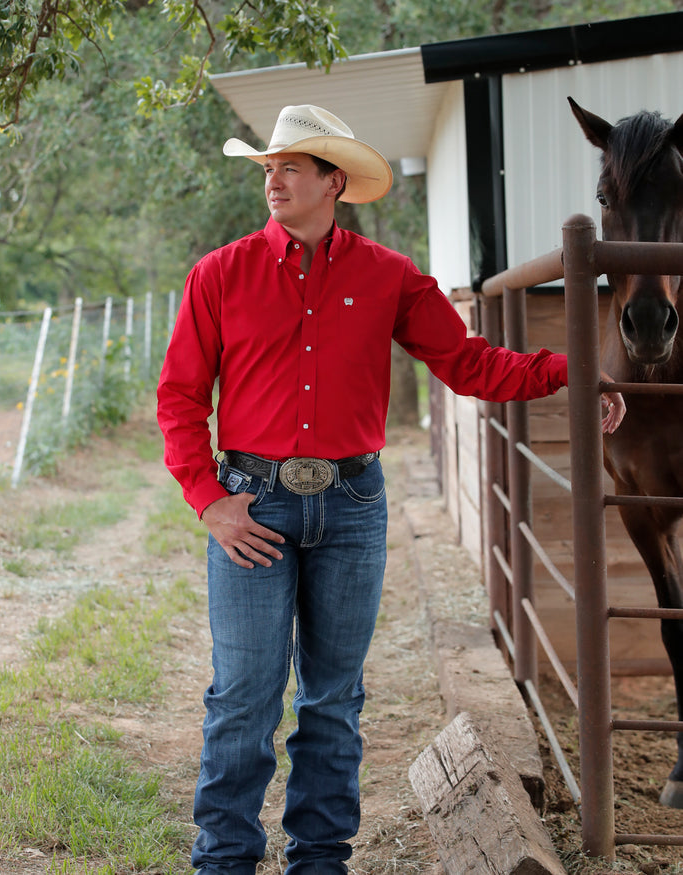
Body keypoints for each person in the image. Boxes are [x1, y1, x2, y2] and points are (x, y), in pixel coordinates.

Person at [156, 104, 625, 875]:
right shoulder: (219, 273)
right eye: (268, 167)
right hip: (253, 505)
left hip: (351, 509)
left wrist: (571, 367)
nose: (273, 179)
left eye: (291, 166)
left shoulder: (389, 276)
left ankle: (319, 861)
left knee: (333, 698)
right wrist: (208, 499)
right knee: (243, 694)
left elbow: (469, 363)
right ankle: (226, 861)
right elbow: (179, 395)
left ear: (334, 182)